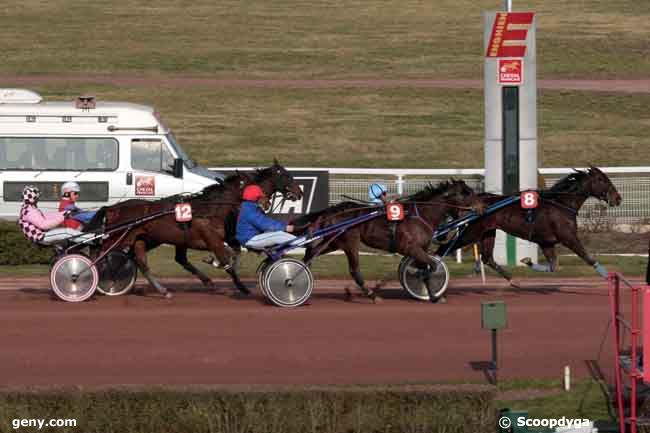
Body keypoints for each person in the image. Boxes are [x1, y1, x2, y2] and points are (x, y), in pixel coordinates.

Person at [236, 184, 296, 249]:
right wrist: (285, 227)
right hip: (249, 239)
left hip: (251, 237)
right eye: (259, 197)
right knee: (279, 235)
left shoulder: (250, 207)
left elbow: (266, 221)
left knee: (277, 233)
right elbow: (264, 224)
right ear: (255, 198)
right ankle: (303, 241)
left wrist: (284, 225)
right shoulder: (249, 210)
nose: (261, 199)